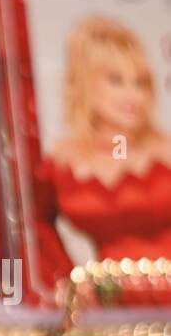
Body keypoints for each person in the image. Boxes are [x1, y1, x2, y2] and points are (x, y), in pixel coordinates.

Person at [33, 16, 171, 300]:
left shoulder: (166, 150)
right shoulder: (61, 161)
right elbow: (32, 225)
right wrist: (68, 281)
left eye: (141, 83)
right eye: (116, 81)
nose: (134, 96)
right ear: (85, 83)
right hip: (109, 312)